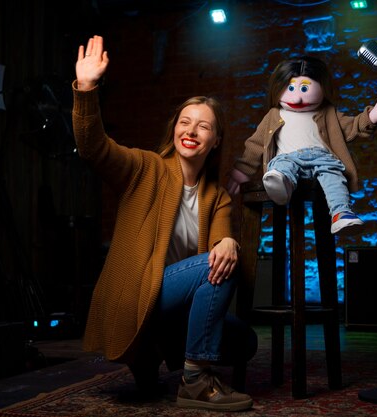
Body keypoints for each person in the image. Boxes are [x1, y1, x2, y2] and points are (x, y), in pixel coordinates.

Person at [72, 35, 255, 412]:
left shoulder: (216, 195)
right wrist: (87, 88)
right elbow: (94, 147)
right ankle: (194, 379)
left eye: (203, 126)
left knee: (243, 341)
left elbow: (221, 240)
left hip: (172, 300)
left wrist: (229, 242)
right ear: (174, 129)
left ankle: (156, 351)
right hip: (138, 293)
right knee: (213, 267)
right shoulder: (145, 167)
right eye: (184, 122)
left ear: (216, 140)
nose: (191, 130)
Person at [227, 56, 377, 235]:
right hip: (288, 158)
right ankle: (281, 184)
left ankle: (341, 213)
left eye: (304, 88)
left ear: (322, 88)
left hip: (323, 159)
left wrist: (372, 116)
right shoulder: (273, 115)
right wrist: (243, 170)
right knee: (280, 166)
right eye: (291, 88)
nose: (298, 97)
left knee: (334, 176)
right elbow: (255, 143)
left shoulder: (328, 113)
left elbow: (352, 126)